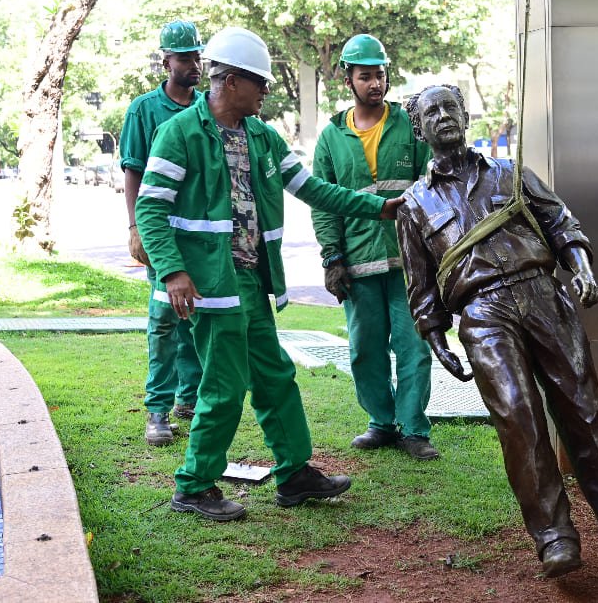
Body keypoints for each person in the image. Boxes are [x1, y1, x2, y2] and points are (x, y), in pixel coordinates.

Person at [135, 26, 403, 522]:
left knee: (276, 377)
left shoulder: (261, 136)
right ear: (232, 81)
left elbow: (316, 190)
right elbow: (150, 210)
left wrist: (380, 208)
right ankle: (193, 485)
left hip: (253, 283)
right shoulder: (179, 133)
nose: (266, 92)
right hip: (211, 286)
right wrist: (173, 272)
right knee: (223, 385)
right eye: (260, 83)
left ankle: (295, 474)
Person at [395, 84, 598, 578]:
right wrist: (434, 335)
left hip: (542, 293)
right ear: (418, 127)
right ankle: (554, 537)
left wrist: (582, 267)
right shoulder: (414, 204)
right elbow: (420, 283)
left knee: (583, 404)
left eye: (451, 107)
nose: (444, 116)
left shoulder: (510, 173)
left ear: (466, 116)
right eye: (432, 111)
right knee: (518, 417)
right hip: (482, 312)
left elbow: (561, 223)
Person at [311, 34, 437, 460]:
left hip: (410, 260)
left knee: (414, 343)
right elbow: (323, 203)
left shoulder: (410, 125)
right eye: (365, 76)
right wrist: (332, 258)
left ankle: (414, 429)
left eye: (380, 75)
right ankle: (381, 423)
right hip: (358, 261)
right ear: (347, 78)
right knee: (364, 349)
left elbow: (434, 187)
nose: (375, 84)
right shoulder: (330, 137)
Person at [119, 19, 205, 447]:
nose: (195, 64)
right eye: (186, 57)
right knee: (163, 320)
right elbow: (133, 171)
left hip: (201, 233)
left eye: (197, 55)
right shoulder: (144, 110)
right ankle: (157, 410)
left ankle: (188, 401)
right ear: (165, 61)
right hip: (160, 231)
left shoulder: (207, 105)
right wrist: (136, 228)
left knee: (194, 317)